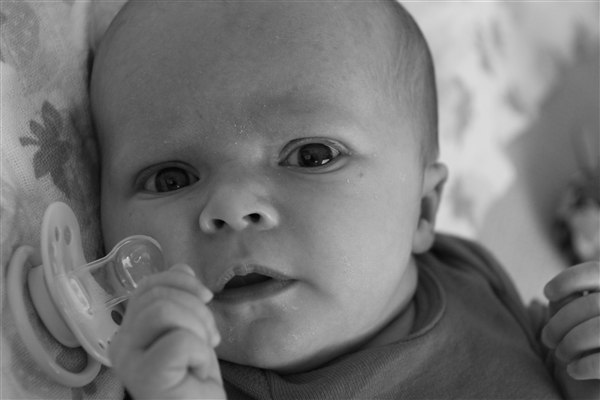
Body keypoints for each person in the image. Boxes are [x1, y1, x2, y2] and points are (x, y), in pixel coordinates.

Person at [89, 0, 600, 398]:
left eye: (311, 156)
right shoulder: (178, 374)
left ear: (423, 210)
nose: (231, 207)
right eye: (171, 179)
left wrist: (577, 363)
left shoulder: (468, 271)